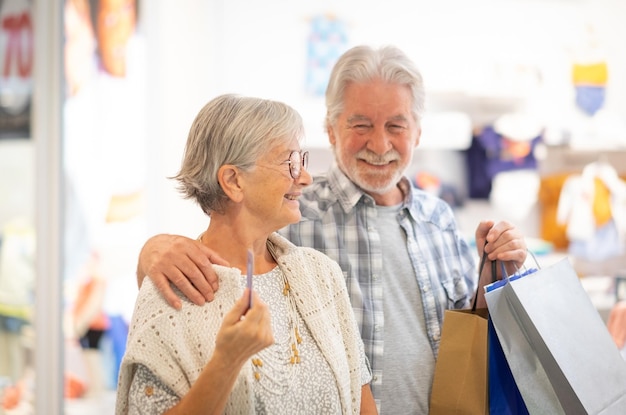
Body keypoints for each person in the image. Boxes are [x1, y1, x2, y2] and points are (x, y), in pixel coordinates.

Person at [136, 45, 528, 413]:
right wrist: (152, 250)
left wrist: (496, 272)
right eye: (361, 124)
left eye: (396, 125)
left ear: (417, 132)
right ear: (331, 130)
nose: (379, 143)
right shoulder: (291, 212)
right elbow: (216, 247)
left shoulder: (438, 218)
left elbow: (467, 333)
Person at [115, 94, 377, 414]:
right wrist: (227, 362)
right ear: (233, 180)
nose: (305, 177)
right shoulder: (169, 291)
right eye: (290, 162)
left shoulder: (322, 275)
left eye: (302, 161)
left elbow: (362, 403)